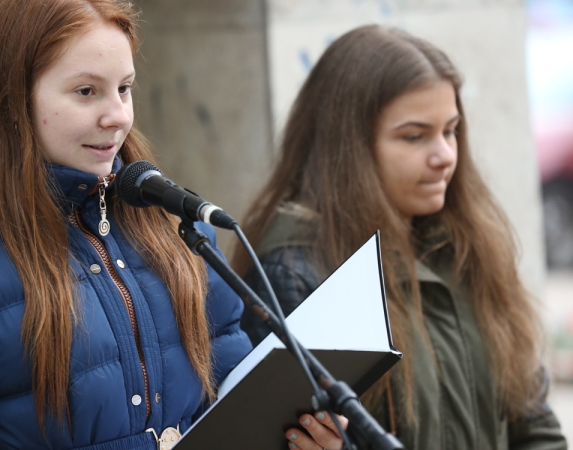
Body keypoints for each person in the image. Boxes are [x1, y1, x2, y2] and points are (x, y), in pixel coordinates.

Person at [0, 0, 252, 448]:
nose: (118, 115)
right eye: (86, 91)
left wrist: (293, 432)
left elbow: (239, 400)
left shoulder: (170, 222)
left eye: (124, 88)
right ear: (12, 99)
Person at [232, 25, 567, 450]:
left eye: (451, 130)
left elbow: (534, 425)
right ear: (347, 146)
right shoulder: (297, 273)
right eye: (415, 136)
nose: (445, 155)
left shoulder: (470, 247)